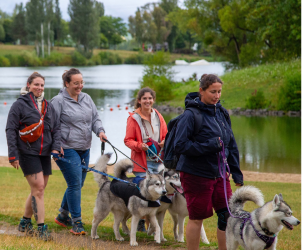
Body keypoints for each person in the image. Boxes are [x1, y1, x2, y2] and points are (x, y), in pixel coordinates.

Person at [174, 74, 244, 250]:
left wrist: (236, 172)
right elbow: (180, 145)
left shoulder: (221, 112)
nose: (217, 95)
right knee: (197, 218)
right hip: (195, 174)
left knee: (226, 216)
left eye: (219, 91)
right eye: (213, 91)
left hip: (220, 174)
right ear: (201, 91)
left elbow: (231, 143)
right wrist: (209, 145)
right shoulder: (190, 115)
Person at [51, 68, 107, 235]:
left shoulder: (87, 98)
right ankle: (77, 222)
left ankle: (62, 215)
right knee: (75, 184)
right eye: (76, 83)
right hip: (66, 149)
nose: (80, 86)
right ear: (67, 83)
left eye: (81, 82)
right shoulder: (58, 101)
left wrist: (100, 131)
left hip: (85, 147)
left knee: (78, 183)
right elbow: (51, 126)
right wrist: (56, 144)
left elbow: (95, 118)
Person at [6, 72, 61, 241]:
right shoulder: (19, 105)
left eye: (42, 85)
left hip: (44, 153)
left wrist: (56, 148)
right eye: (36, 84)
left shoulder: (48, 105)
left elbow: (56, 129)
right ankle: (41, 228)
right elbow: (11, 129)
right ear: (28, 85)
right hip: (27, 153)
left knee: (38, 189)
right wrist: (13, 154)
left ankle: (24, 222)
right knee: (39, 189)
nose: (39, 88)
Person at [124, 87, 168, 231]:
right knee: (143, 194)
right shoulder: (133, 118)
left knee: (156, 193)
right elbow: (127, 140)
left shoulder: (158, 116)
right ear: (139, 101)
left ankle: (151, 227)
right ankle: (141, 222)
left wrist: (163, 142)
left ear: (153, 100)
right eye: (144, 99)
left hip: (158, 161)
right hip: (142, 162)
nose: (147, 101)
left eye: (150, 98)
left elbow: (166, 136)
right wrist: (139, 146)